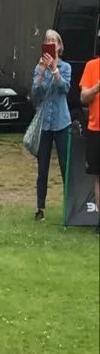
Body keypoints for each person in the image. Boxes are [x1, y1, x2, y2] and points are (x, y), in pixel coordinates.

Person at [31, 29, 72, 221]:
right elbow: (35, 94)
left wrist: (54, 68)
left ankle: (70, 208)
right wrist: (41, 73)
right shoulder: (38, 68)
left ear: (59, 46)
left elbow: (64, 88)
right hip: (45, 124)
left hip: (62, 122)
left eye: (53, 40)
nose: (50, 43)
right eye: (47, 40)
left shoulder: (65, 67)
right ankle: (40, 208)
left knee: (65, 166)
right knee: (43, 167)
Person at [79, 53, 100, 232]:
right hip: (96, 130)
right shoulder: (92, 66)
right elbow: (83, 97)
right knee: (98, 176)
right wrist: (97, 88)